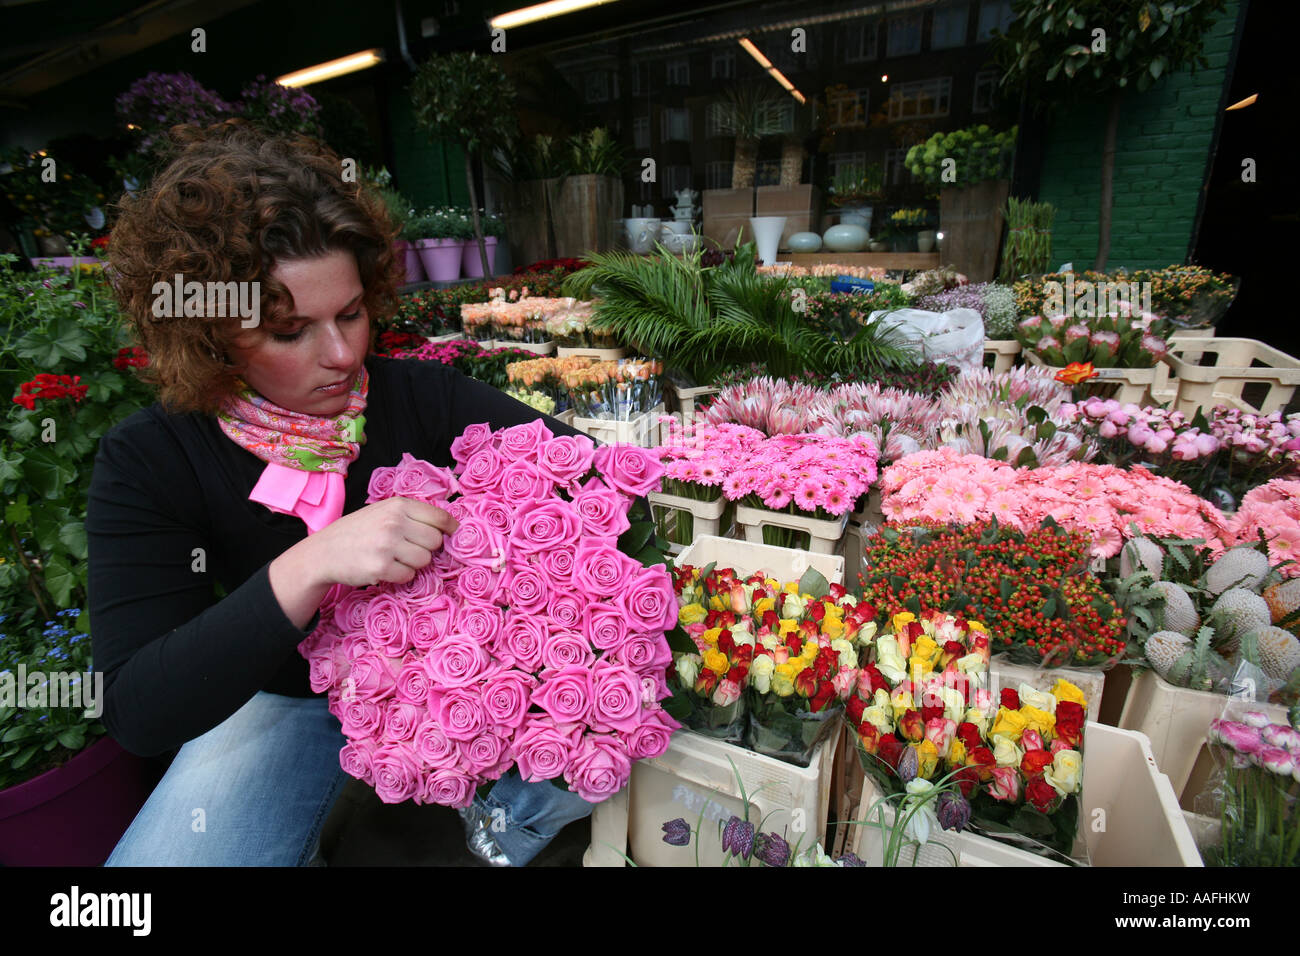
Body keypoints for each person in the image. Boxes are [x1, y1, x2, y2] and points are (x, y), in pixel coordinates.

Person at [88, 119, 592, 866]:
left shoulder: (419, 398)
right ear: (209, 332)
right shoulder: (152, 458)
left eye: (352, 313)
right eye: (291, 332)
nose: (342, 354)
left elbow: (590, 474)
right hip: (286, 706)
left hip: (453, 696)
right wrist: (308, 565)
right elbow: (137, 708)